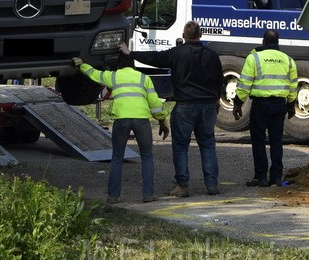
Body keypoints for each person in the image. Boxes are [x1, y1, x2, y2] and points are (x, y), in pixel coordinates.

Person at [125, 21, 224, 197]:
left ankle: (182, 186)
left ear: (184, 35)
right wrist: (216, 100)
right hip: (208, 105)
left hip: (185, 106)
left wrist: (130, 53)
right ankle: (212, 185)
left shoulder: (177, 53)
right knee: (208, 145)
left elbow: (154, 58)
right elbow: (219, 80)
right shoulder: (212, 55)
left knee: (180, 146)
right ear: (200, 35)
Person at [74, 53, 169, 203]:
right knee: (147, 157)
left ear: (118, 66)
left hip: (121, 120)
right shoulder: (144, 78)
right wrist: (162, 121)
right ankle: (148, 195)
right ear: (133, 65)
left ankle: (113, 196)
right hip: (141, 120)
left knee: (117, 157)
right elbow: (155, 103)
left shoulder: (113, 76)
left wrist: (81, 65)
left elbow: (94, 74)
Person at [232, 29, 298, 187]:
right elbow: (293, 85)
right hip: (280, 105)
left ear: (263, 41)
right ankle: (275, 177)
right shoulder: (288, 60)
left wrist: (238, 103)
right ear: (277, 42)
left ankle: (260, 176)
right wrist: (291, 105)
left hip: (261, 105)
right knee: (276, 141)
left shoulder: (254, 57)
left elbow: (245, 82)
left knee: (258, 140)